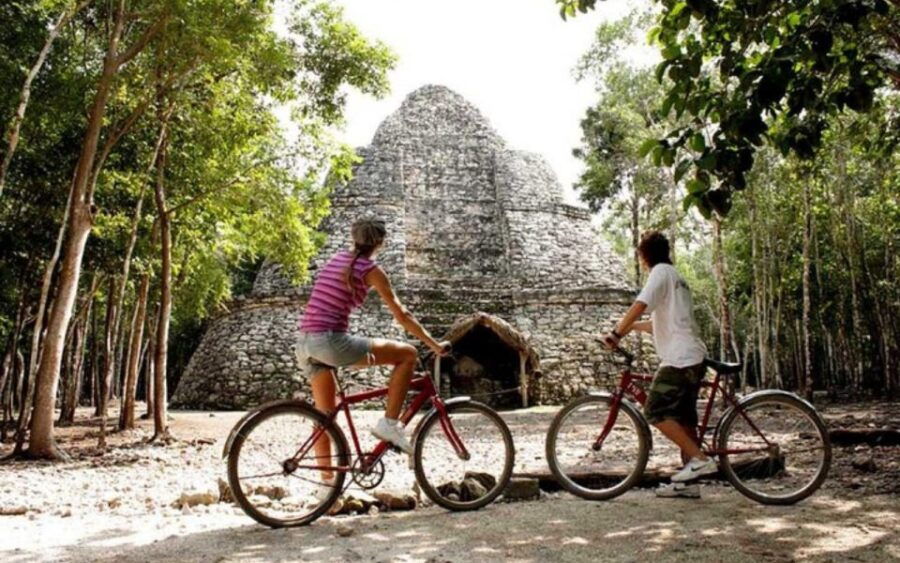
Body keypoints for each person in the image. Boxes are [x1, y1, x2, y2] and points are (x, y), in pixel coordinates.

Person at [297, 218, 451, 486]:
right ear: (380, 242)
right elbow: (401, 314)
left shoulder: (337, 260)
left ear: (353, 237)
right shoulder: (371, 270)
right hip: (331, 343)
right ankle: (390, 424)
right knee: (407, 354)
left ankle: (326, 488)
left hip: (305, 343)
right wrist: (433, 344)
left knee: (323, 418)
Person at [601, 230, 715, 499]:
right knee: (684, 420)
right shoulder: (676, 277)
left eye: (640, 255)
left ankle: (700, 459)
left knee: (654, 411)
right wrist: (629, 329)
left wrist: (617, 332)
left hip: (680, 358)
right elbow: (659, 323)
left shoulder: (660, 273)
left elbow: (641, 305)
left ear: (644, 256)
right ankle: (688, 484)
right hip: (692, 354)